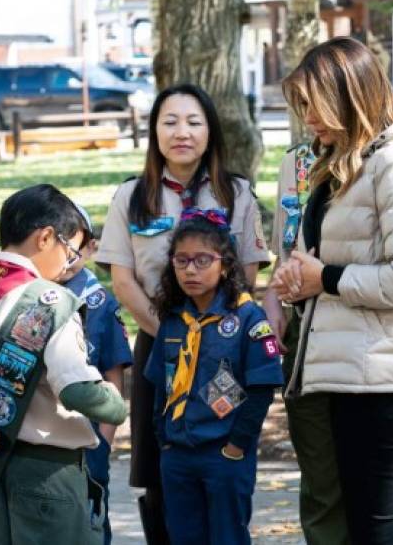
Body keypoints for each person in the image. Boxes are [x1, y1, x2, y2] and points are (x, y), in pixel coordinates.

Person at [269, 37, 393, 544]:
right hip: (359, 366)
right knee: (382, 523)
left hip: (384, 372)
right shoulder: (350, 157)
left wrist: (323, 278)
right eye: (301, 106)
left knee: (375, 527)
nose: (307, 118)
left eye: (315, 104)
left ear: (350, 95)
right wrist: (302, 276)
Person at [94, 83, 271, 543]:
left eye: (194, 122)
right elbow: (123, 280)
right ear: (154, 131)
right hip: (160, 347)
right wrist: (174, 332)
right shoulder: (132, 196)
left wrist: (211, 336)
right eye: (169, 122)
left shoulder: (236, 194)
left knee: (222, 468)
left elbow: (248, 273)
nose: (182, 132)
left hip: (226, 350)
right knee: (162, 473)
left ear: (210, 131)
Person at [0, 184, 128, 545]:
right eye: (71, 250)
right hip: (49, 473)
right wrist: (115, 403)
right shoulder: (50, 301)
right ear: (46, 237)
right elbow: (78, 390)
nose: (68, 264)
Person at [144, 208, 284, 545]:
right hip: (178, 453)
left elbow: (262, 388)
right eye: (182, 261)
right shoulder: (174, 321)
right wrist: (163, 438)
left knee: (227, 537)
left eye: (203, 260)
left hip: (223, 453)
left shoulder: (249, 318)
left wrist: (237, 445)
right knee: (183, 536)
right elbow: (160, 384)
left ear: (225, 265)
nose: (191, 270)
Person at [263, 140, 350, 545]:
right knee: (319, 476)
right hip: (304, 327)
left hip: (364, 331)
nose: (308, 115)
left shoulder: (388, 157)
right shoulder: (295, 162)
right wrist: (271, 298)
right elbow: (287, 245)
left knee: (380, 482)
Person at [58, 204, 134, 545]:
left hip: (89, 439)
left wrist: (105, 439)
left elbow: (112, 374)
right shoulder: (30, 296)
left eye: (77, 245)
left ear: (91, 247)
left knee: (91, 522)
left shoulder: (98, 301)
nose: (68, 255)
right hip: (45, 437)